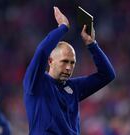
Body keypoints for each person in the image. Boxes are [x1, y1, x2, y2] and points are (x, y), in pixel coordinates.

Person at [23, 6, 115, 135]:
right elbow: (42, 51)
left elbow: (107, 75)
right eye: (64, 61)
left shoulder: (74, 87)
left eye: (72, 63)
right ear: (50, 61)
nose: (69, 67)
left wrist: (91, 44)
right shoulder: (36, 81)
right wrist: (63, 27)